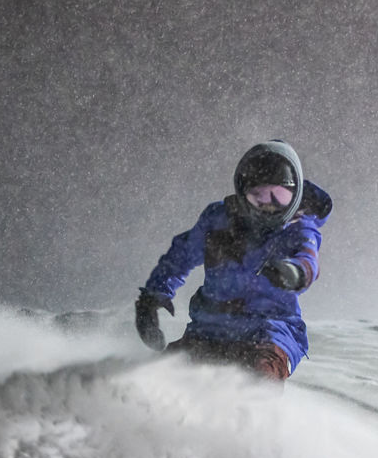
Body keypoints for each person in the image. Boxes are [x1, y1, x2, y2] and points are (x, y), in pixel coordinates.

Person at [135, 140, 332, 380]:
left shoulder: (299, 229)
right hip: (209, 330)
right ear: (242, 191)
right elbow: (180, 256)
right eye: (258, 196)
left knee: (262, 376)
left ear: (296, 193)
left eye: (280, 196)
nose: (269, 205)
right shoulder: (218, 220)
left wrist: (294, 273)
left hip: (270, 331)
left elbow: (308, 260)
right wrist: (152, 297)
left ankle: (250, 414)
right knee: (159, 375)